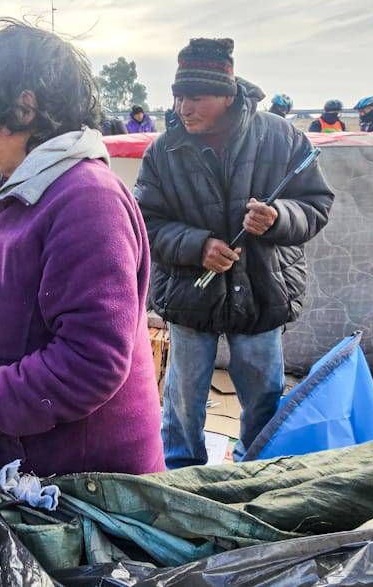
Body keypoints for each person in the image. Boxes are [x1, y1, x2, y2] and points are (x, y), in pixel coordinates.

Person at [0, 19, 163, 477]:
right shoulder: (15, 191)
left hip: (79, 486)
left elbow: (90, 362)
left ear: (23, 109)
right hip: (26, 464)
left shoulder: (86, 199)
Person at [134, 38, 334, 469]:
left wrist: (279, 217)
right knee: (183, 398)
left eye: (196, 97)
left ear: (227, 95)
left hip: (262, 291)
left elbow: (316, 205)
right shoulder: (162, 151)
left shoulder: (281, 138)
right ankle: (182, 473)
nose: (184, 108)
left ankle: (256, 468)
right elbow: (145, 224)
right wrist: (196, 246)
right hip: (190, 295)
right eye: (179, 97)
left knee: (264, 394)